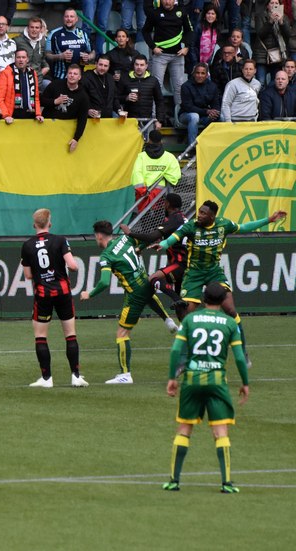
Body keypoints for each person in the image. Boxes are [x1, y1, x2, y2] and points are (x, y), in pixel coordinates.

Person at [156, 201, 287, 362]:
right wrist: (162, 245)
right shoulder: (191, 226)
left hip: (214, 273)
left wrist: (268, 220)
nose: (200, 215)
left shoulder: (223, 225)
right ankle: (183, 359)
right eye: (199, 211)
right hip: (194, 274)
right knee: (187, 317)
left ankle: (243, 353)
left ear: (212, 216)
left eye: (203, 213)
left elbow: (244, 227)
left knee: (231, 311)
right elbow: (173, 238)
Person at [162, 282, 249, 494]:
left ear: (203, 298)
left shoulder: (190, 319)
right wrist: (245, 383)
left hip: (192, 380)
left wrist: (172, 377)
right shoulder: (229, 323)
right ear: (221, 300)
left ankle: (174, 480)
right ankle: (226, 483)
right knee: (220, 431)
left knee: (184, 429)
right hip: (217, 382)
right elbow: (239, 356)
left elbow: (176, 351)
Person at [80, 220, 179, 384]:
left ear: (98, 236)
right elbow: (147, 239)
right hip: (146, 281)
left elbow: (104, 282)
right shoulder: (125, 239)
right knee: (148, 294)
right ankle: (168, 320)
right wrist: (139, 249)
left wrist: (89, 294)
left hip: (134, 294)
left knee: (122, 333)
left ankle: (125, 374)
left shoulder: (106, 256)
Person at [20, 209, 86, 388]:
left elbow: (27, 275)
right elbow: (72, 265)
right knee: (70, 334)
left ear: (34, 224)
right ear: (50, 223)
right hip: (63, 292)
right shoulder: (60, 240)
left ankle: (47, 378)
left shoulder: (27, 245)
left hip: (43, 294)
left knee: (40, 336)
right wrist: (70, 268)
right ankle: (76, 376)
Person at [119, 193, 189, 321]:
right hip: (181, 262)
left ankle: (177, 299)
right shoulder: (180, 218)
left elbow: (152, 236)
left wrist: (130, 233)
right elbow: (157, 237)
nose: (163, 204)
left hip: (180, 263)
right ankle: (185, 333)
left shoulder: (175, 219)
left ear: (167, 204)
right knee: (181, 309)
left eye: (165, 202)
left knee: (154, 278)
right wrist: (140, 248)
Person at [143, 0, 193, 111]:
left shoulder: (182, 12)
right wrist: (153, 47)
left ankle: (180, 116)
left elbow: (189, 31)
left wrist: (187, 47)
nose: (167, 1)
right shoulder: (154, 13)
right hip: (160, 56)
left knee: (179, 87)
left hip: (178, 56)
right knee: (156, 86)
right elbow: (145, 31)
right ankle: (155, 117)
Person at [40, 64, 89, 153]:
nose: (72, 75)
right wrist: (55, 102)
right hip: (48, 126)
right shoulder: (55, 84)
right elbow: (41, 101)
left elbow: (82, 119)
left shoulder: (83, 96)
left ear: (79, 77)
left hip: (65, 130)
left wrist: (76, 138)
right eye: (70, 73)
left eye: (75, 74)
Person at [131, 129, 181, 213]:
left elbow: (136, 174)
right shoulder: (170, 157)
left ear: (149, 140)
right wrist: (164, 175)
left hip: (144, 196)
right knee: (160, 222)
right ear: (161, 141)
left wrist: (143, 191)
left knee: (145, 223)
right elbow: (175, 177)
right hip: (161, 196)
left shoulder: (141, 157)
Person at [0, 48, 42, 124]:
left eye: (23, 57)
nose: (21, 60)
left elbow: (36, 96)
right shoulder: (5, 73)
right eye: (18, 57)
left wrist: (38, 114)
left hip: (30, 115)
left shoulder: (32, 73)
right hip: (11, 117)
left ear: (27, 59)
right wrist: (6, 115)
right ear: (14, 59)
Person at [179, 62, 221, 146]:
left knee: (222, 117)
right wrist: (207, 112)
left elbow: (216, 104)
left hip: (205, 116)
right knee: (194, 116)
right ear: (194, 74)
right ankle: (192, 148)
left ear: (206, 75)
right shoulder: (186, 86)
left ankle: (216, 146)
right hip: (186, 115)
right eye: (197, 73)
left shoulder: (212, 86)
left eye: (203, 73)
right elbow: (188, 107)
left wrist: (215, 112)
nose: (200, 75)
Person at [46, 8, 94, 81]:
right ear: (63, 18)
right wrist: (60, 56)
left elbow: (92, 52)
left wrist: (89, 57)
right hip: (60, 77)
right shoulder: (54, 34)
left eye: (71, 16)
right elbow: (47, 55)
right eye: (66, 16)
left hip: (80, 77)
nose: (69, 19)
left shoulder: (84, 33)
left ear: (76, 19)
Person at [119, 54, 163, 128]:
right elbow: (116, 97)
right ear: (133, 65)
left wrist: (159, 120)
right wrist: (126, 98)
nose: (139, 67)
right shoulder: (125, 79)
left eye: (142, 65)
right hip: (129, 120)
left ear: (146, 66)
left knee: (146, 139)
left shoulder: (153, 81)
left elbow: (159, 101)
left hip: (147, 120)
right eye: (137, 64)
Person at [253, 0, 290, 85]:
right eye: (272, 3)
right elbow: (260, 34)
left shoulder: (284, 17)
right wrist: (270, 22)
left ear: (280, 5)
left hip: (277, 56)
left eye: (276, 3)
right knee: (260, 83)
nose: (274, 5)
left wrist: (281, 23)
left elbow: (288, 35)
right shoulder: (260, 16)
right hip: (262, 54)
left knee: (275, 82)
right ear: (267, 6)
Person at [82, 54, 120, 119]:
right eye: (100, 64)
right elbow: (81, 98)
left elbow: (114, 98)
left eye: (105, 66)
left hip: (108, 119)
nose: (102, 68)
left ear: (109, 67)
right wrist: (87, 110)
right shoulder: (86, 77)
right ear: (96, 64)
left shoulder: (110, 78)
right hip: (91, 119)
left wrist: (119, 110)